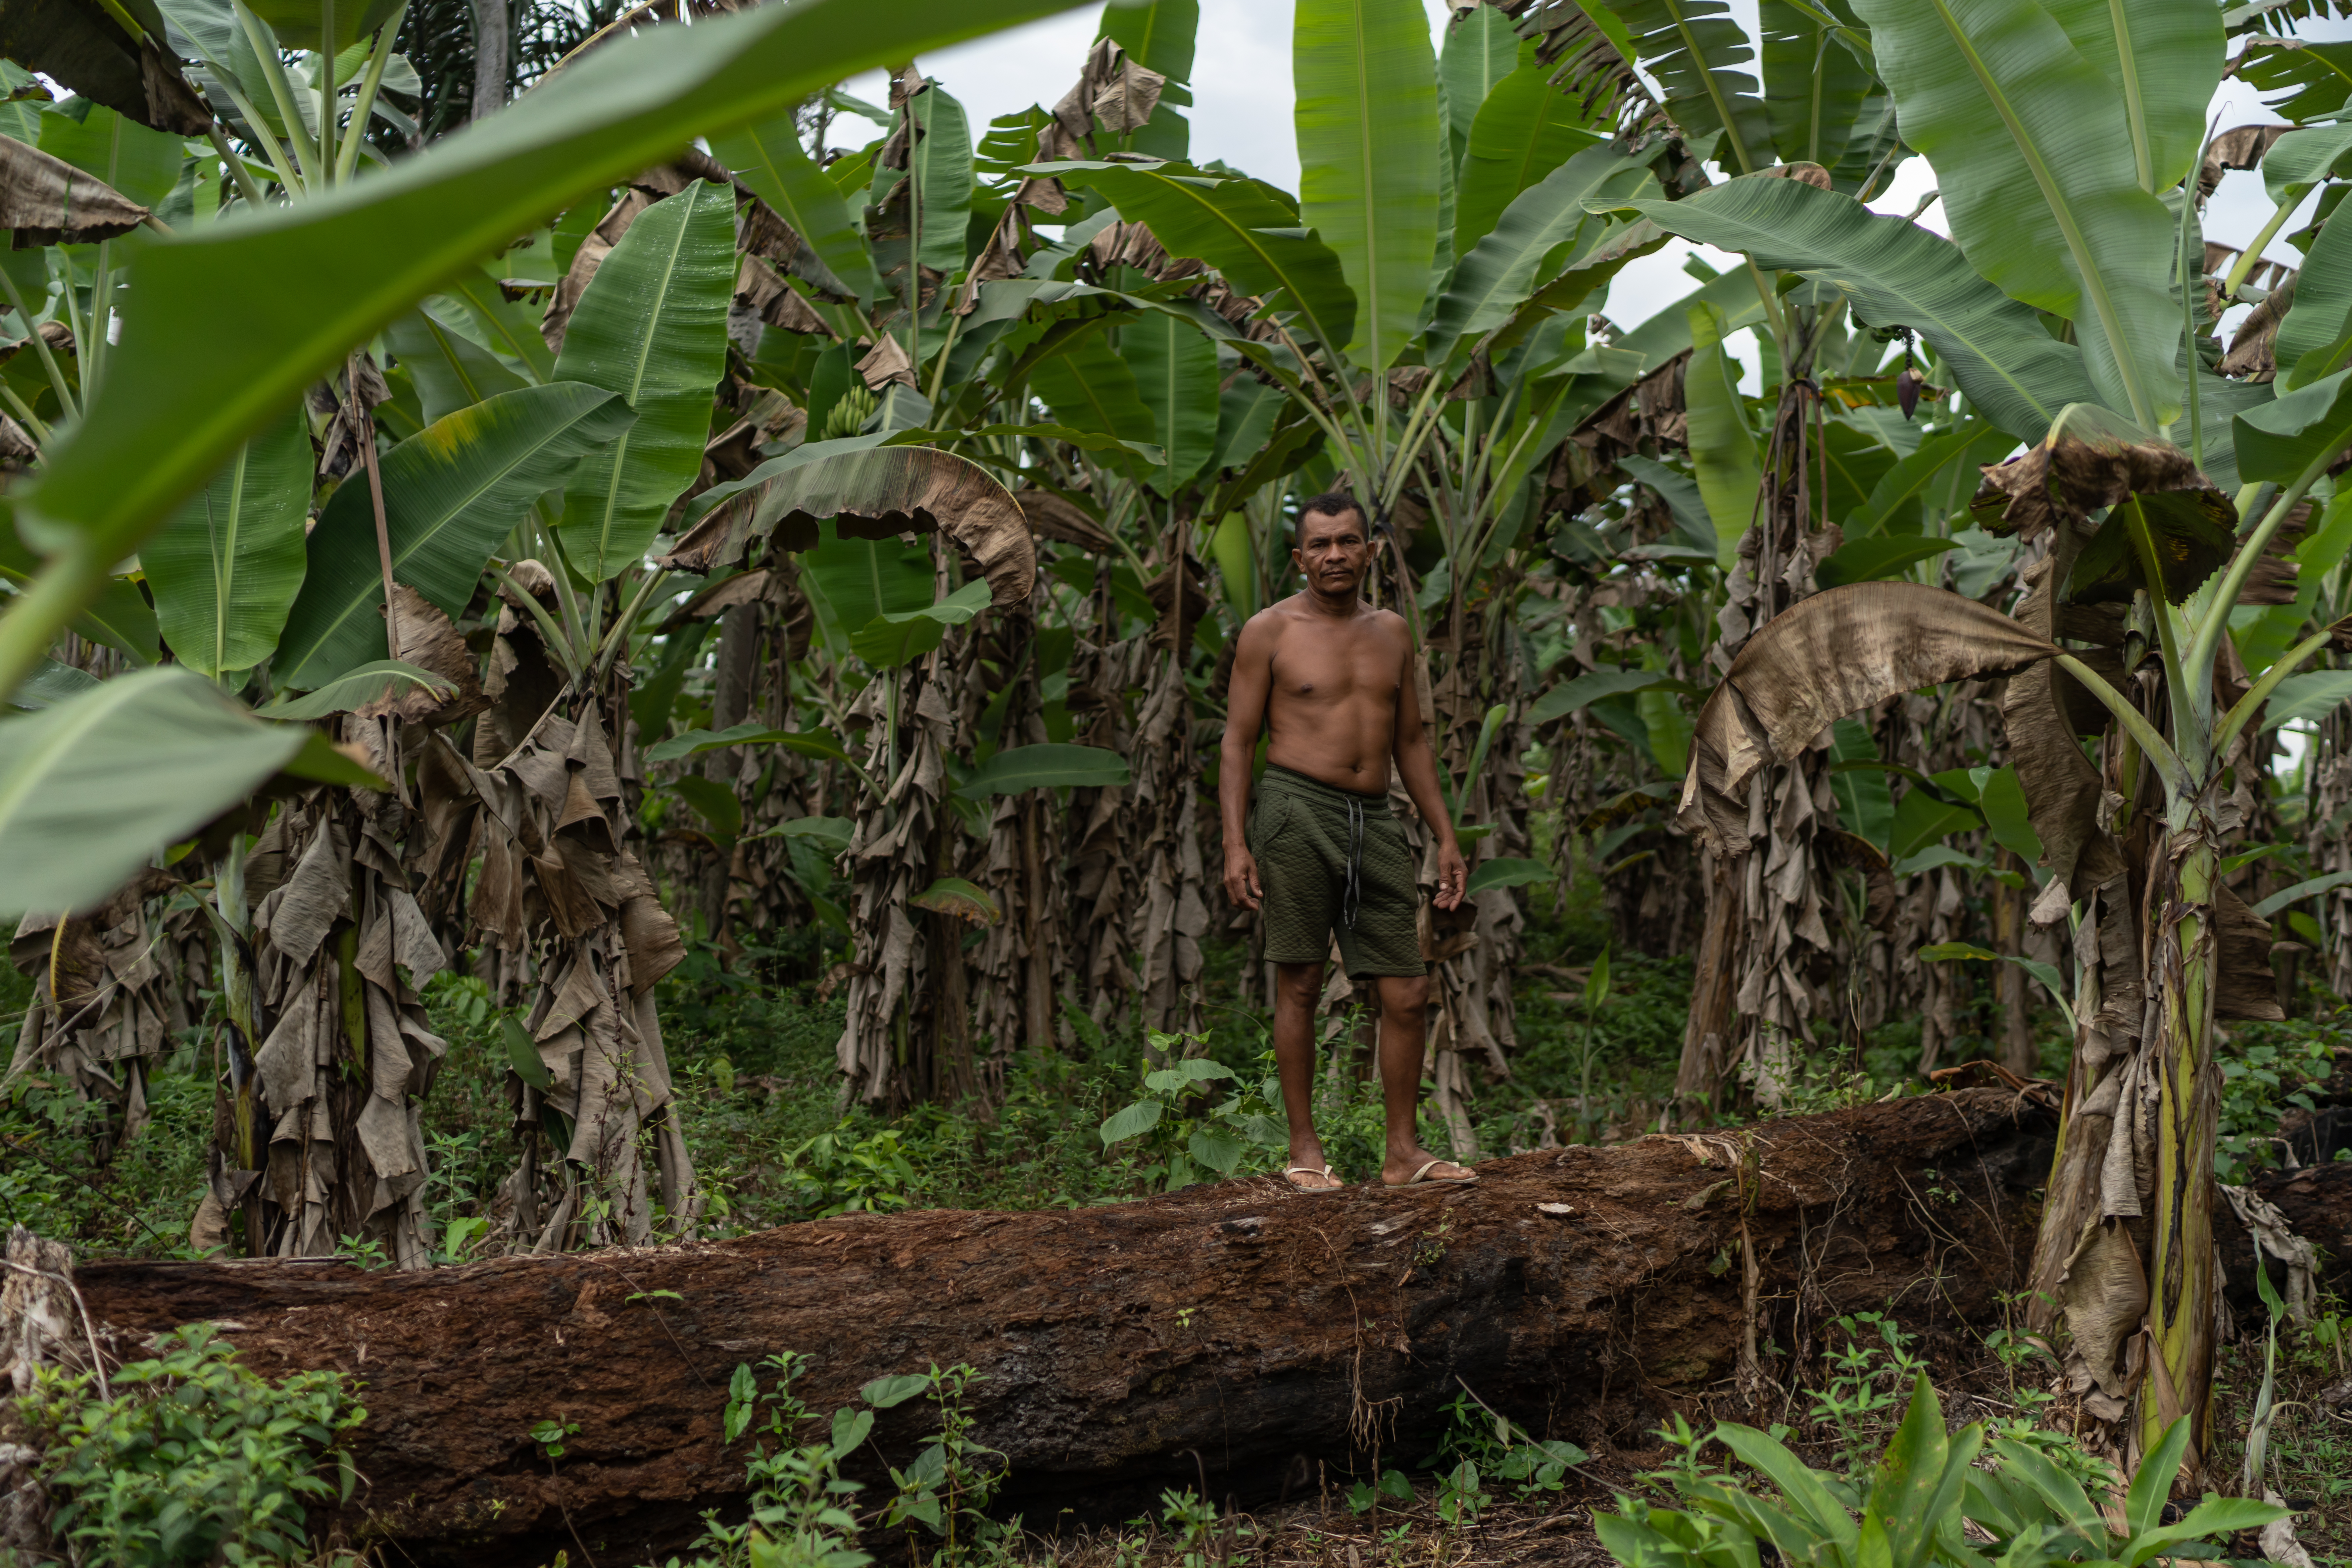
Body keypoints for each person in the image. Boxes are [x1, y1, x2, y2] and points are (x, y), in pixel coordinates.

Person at [1219, 491, 1477, 1191]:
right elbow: (1239, 741)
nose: (1335, 555)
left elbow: (1413, 740)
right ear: (1298, 557)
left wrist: (1445, 835)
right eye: (1321, 544)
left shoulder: (1393, 631)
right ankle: (1306, 1151)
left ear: (1372, 551)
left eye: (1348, 542)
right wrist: (1235, 844)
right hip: (1294, 807)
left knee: (1409, 987)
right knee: (1300, 978)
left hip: (1376, 816)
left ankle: (1402, 1153)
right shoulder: (1269, 631)